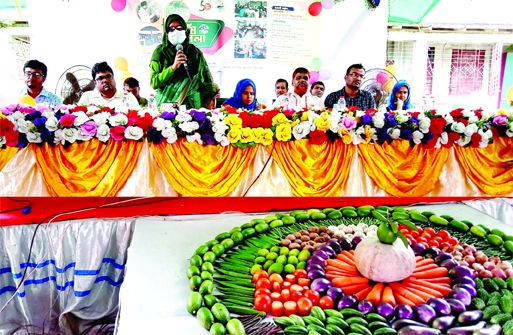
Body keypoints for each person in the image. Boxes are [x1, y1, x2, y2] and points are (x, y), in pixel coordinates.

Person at [150, 14, 217, 109]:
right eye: (171, 29)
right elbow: (154, 82)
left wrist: (205, 105)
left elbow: (207, 81)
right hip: (166, 107)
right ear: (166, 32)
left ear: (185, 30)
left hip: (191, 106)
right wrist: (173, 68)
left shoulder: (195, 53)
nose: (176, 32)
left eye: (179, 28)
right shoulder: (160, 53)